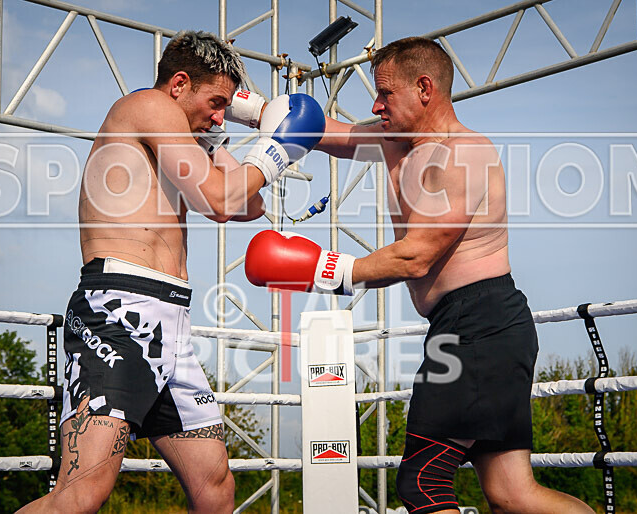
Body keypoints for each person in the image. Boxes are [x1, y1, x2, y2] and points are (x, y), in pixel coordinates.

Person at [244, 37, 593, 513]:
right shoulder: (393, 141)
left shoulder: (463, 154)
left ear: (424, 88)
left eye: (386, 93)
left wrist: (320, 269)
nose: (375, 103)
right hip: (473, 327)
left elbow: (417, 258)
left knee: (423, 484)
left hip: (480, 325)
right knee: (512, 494)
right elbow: (322, 131)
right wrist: (251, 108)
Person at [18, 31, 324, 513]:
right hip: (118, 314)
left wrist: (225, 136)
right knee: (81, 495)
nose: (220, 114)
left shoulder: (185, 137)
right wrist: (276, 149)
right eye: (215, 102)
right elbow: (220, 198)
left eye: (227, 106)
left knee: (215, 488)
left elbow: (245, 206)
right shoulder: (149, 106)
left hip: (170, 325)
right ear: (179, 83)